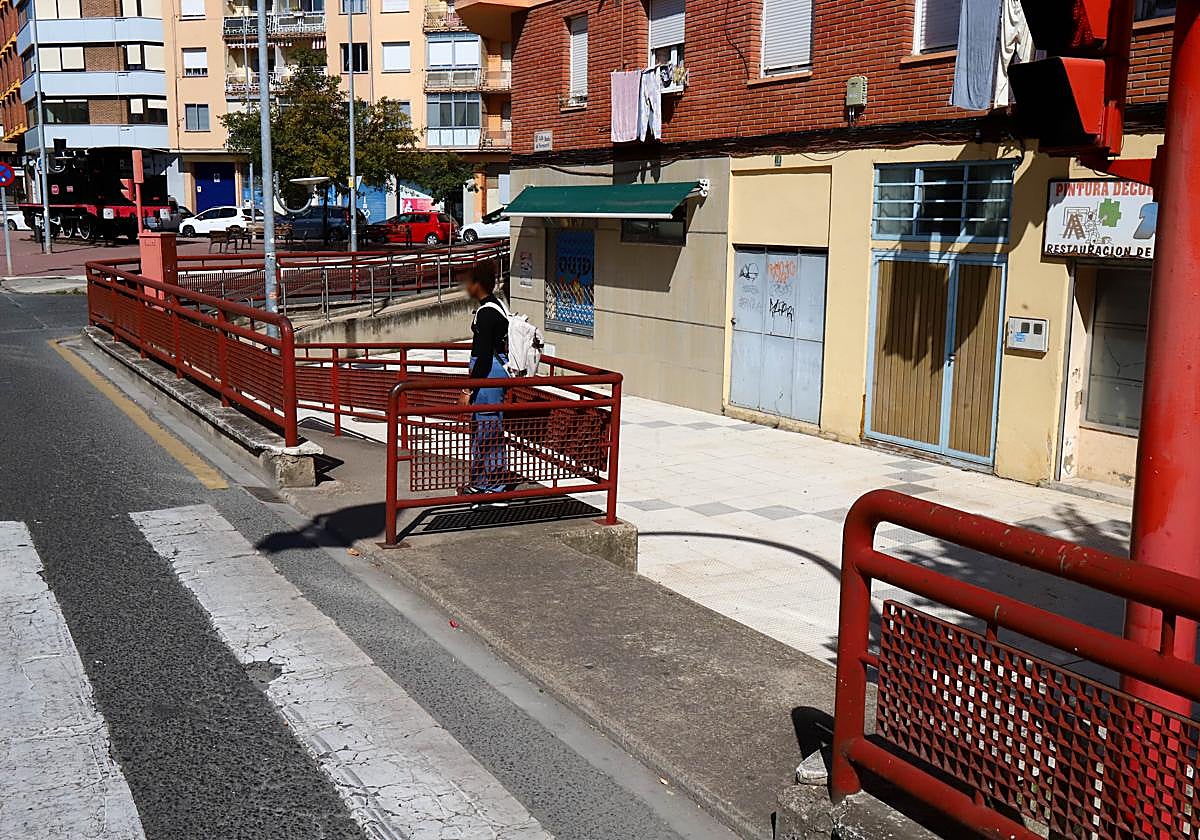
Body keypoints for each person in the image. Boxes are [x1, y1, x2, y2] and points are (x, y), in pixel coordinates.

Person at [459, 264, 510, 505]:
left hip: (487, 377)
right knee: (486, 429)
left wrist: (468, 389)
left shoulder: (486, 313)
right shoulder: (497, 306)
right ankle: (482, 483)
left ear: (477, 284)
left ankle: (494, 486)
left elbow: (483, 356)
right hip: (493, 375)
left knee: (488, 430)